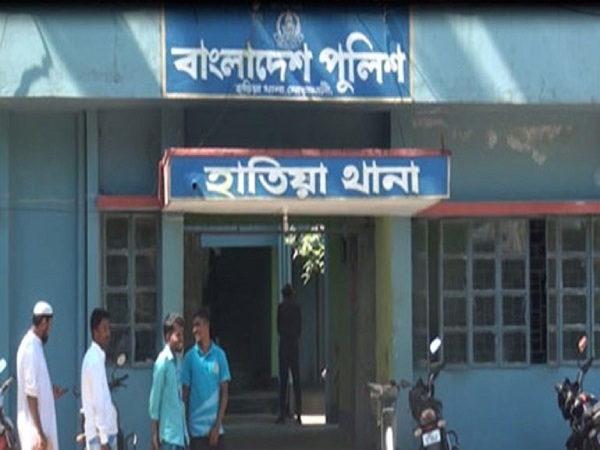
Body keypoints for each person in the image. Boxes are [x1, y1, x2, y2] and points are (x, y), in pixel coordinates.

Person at [16, 300, 67, 450]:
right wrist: (39, 432)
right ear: (44, 322)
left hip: (41, 430)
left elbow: (36, 388)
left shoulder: (35, 346)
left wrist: (49, 393)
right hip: (35, 433)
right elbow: (31, 395)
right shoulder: (30, 348)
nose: (49, 329)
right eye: (49, 325)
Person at [181, 307, 231, 450]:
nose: (194, 330)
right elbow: (184, 396)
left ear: (207, 325)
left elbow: (224, 393)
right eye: (193, 326)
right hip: (196, 432)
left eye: (198, 325)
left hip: (216, 431)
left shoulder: (219, 355)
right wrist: (184, 429)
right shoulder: (189, 358)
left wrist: (217, 425)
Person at [149, 313, 188, 450]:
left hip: (180, 435)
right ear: (167, 337)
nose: (181, 339)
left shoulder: (177, 361)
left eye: (182, 335)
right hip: (168, 436)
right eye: (178, 335)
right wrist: (155, 433)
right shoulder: (163, 362)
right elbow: (154, 400)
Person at [81, 308, 118, 450]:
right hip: (100, 437)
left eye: (109, 328)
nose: (108, 333)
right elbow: (98, 401)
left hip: (105, 434)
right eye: (104, 329)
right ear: (95, 331)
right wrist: (103, 439)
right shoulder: (94, 360)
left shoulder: (98, 357)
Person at [275, 283, 302, 425]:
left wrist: (285, 334)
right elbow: (300, 327)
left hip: (284, 344)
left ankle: (282, 414)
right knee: (296, 380)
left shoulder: (281, 308)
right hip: (294, 345)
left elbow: (278, 326)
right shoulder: (297, 308)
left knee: (283, 381)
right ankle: (299, 413)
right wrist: (294, 335)